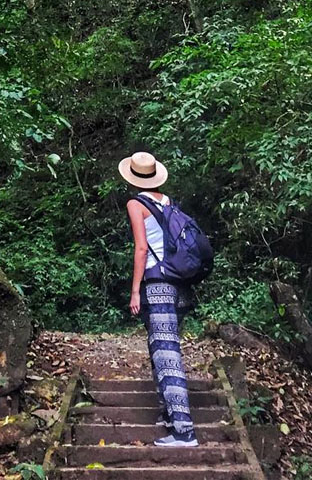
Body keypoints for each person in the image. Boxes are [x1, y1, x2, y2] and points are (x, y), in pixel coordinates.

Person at [119, 151, 198, 448]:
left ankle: (184, 430)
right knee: (160, 346)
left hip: (157, 283)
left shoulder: (136, 204)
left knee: (166, 352)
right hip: (176, 284)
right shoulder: (166, 202)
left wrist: (135, 290)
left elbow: (141, 249)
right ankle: (169, 415)